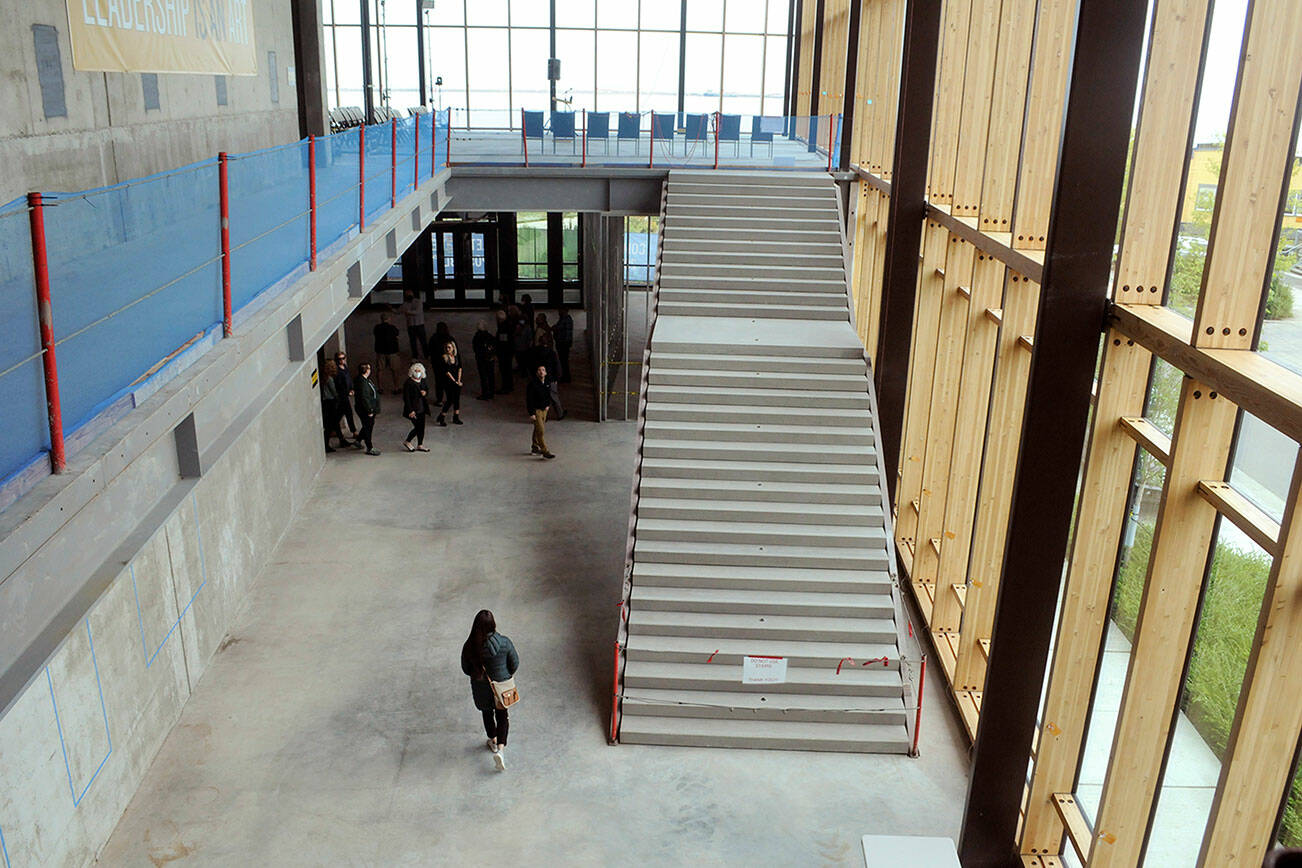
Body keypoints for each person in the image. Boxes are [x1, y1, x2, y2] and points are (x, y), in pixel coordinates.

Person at [459, 610, 519, 772]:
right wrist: (504, 675)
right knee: (502, 715)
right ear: (493, 624)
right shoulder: (505, 643)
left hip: (480, 688)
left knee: (487, 713)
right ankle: (501, 748)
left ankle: (492, 740)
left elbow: (465, 669)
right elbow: (514, 663)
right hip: (501, 687)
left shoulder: (469, 646)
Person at [527, 364, 555, 459]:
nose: (541, 372)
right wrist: (531, 413)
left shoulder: (547, 382)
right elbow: (529, 400)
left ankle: (535, 447)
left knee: (537, 428)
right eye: (539, 370)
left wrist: (547, 405)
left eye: (543, 370)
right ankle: (545, 450)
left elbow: (548, 395)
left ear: (546, 373)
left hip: (544, 410)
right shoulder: (532, 384)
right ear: (536, 373)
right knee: (541, 431)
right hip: (537, 410)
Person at [402, 362, 430, 452]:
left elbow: (426, 389)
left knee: (422, 427)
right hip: (413, 409)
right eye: (415, 371)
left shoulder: (422, 380)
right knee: (418, 427)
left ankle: (420, 444)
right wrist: (410, 410)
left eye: (419, 371)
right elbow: (406, 398)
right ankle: (408, 441)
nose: (417, 372)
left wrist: (425, 393)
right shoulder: (408, 383)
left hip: (422, 407)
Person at [354, 362, 381, 455]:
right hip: (366, 410)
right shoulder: (363, 383)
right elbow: (364, 398)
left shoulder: (364, 380)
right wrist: (369, 410)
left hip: (367, 408)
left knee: (367, 425)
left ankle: (358, 440)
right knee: (368, 428)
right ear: (366, 370)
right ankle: (369, 447)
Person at [333, 351, 360, 443]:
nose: (342, 361)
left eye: (343, 358)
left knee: (345, 414)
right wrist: (347, 392)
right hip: (342, 396)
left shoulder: (345, 368)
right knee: (345, 413)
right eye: (340, 359)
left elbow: (349, 379)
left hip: (346, 394)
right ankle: (353, 431)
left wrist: (351, 389)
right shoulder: (337, 371)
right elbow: (339, 385)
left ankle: (352, 431)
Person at [321, 359, 347, 452]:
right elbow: (334, 392)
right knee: (331, 424)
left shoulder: (325, 377)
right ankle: (327, 444)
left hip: (327, 402)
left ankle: (341, 439)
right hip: (330, 402)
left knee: (334, 424)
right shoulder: (330, 379)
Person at [373, 313, 402, 394]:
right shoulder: (392, 328)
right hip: (392, 352)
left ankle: (380, 388)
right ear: (389, 319)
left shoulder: (377, 328)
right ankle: (396, 387)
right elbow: (397, 334)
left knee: (380, 370)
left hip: (380, 352)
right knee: (395, 370)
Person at [436, 341, 463, 426]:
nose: (448, 349)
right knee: (450, 400)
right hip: (448, 381)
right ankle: (442, 416)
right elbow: (446, 371)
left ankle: (456, 417)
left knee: (457, 399)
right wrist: (454, 381)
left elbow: (460, 368)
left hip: (456, 380)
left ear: (453, 348)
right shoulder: (444, 357)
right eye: (447, 347)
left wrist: (458, 380)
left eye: (449, 347)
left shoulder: (456, 357)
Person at [429, 322, 457, 406]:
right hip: (448, 364)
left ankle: (439, 400)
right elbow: (455, 351)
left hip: (437, 365)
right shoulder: (450, 339)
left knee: (439, 382)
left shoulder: (433, 338)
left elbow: (430, 351)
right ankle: (450, 399)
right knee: (449, 382)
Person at [472, 321, 496, 400]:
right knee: (491, 375)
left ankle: (485, 393)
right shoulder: (490, 336)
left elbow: (475, 348)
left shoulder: (477, 337)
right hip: (490, 359)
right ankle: (491, 392)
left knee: (483, 376)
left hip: (481, 359)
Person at [401, 290, 427, 359]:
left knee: (423, 341)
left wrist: (407, 312)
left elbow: (417, 312)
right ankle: (415, 356)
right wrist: (391, 308)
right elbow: (399, 311)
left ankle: (426, 354)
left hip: (419, 324)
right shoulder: (405, 304)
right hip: (411, 325)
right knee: (413, 342)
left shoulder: (418, 302)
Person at [495, 307, 514, 394]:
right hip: (509, 350)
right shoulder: (509, 324)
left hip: (504, 352)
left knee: (505, 370)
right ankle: (510, 386)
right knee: (508, 370)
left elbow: (502, 342)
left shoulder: (503, 328)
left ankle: (506, 387)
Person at [511, 305, 534, 376]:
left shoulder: (521, 319)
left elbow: (521, 326)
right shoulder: (523, 318)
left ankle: (523, 371)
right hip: (522, 342)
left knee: (521, 357)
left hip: (521, 342)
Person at [554, 305, 574, 383]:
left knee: (564, 361)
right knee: (563, 361)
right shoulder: (564, 319)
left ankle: (566, 377)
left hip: (563, 343)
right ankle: (565, 376)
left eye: (560, 310)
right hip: (562, 342)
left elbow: (561, 329)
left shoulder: (566, 320)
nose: (559, 312)